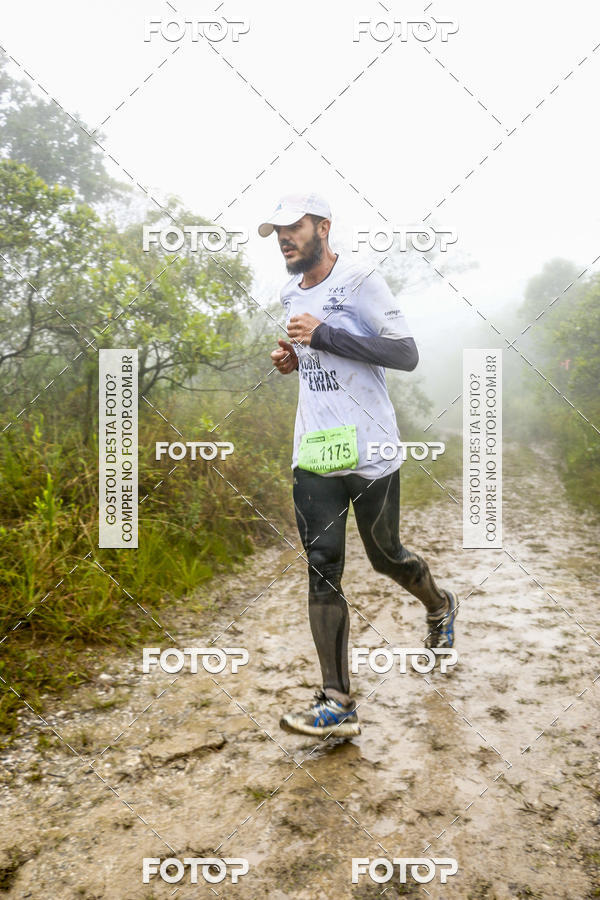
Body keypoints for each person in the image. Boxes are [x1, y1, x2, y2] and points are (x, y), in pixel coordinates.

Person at [259, 192, 457, 739]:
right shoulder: (286, 290)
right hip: (316, 450)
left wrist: (325, 335)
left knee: (386, 557)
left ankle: (439, 607)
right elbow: (315, 359)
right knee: (322, 564)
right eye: (277, 231)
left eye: (293, 228)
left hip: (370, 449)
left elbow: (405, 354)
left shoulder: (362, 281)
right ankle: (337, 701)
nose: (284, 239)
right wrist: (293, 359)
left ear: (323, 227)